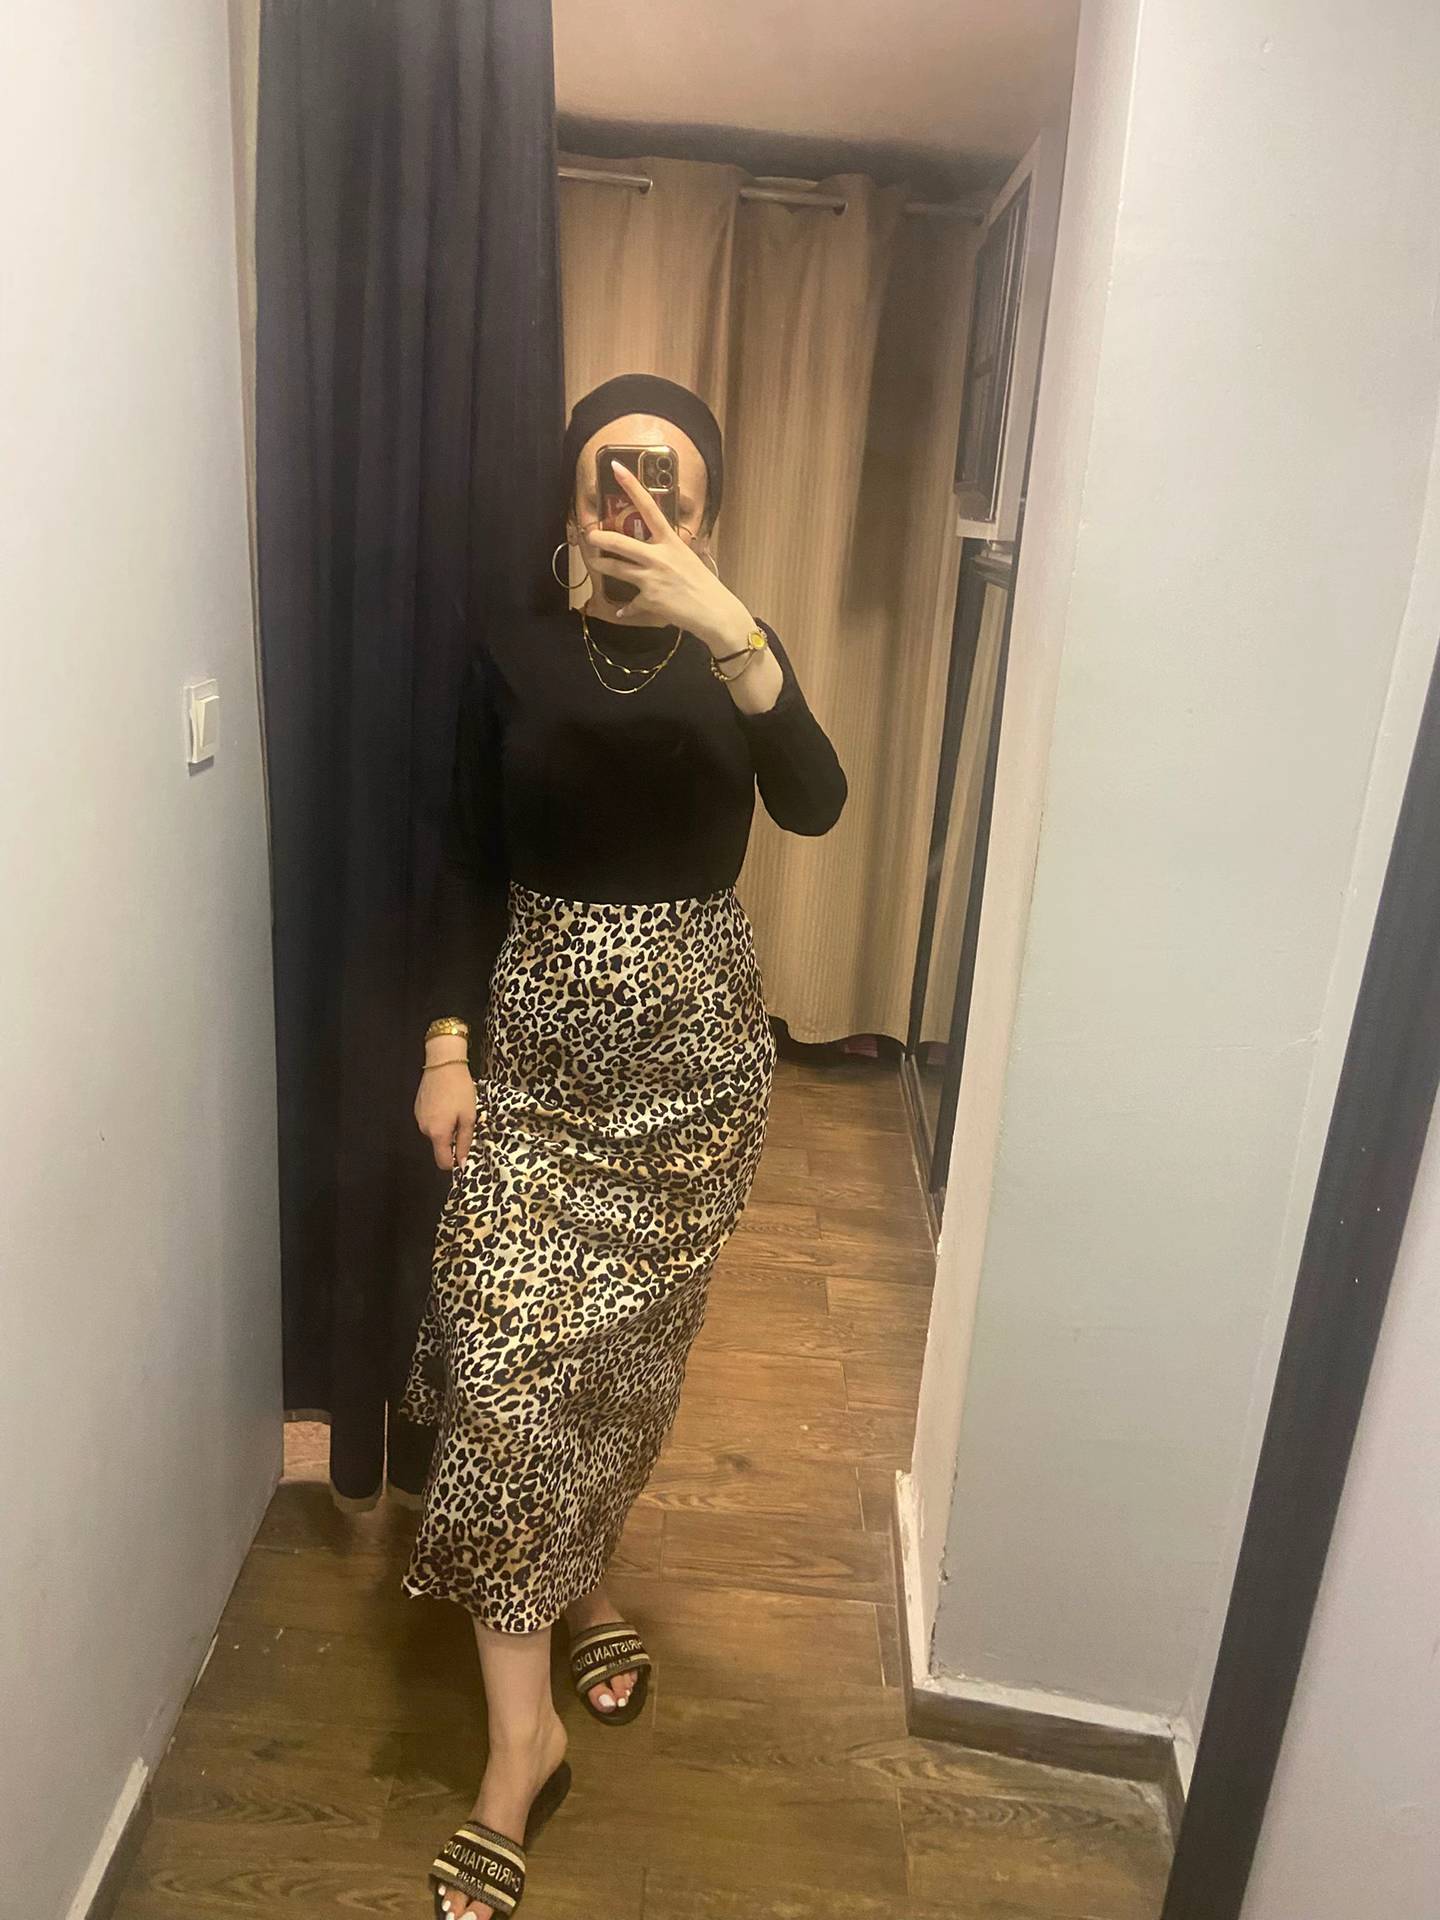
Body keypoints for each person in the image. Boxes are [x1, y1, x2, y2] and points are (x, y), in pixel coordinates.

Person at [399, 373, 847, 1920]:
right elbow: (465, 857)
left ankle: (582, 1574)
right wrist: (444, 1045)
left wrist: (733, 628)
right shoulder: (510, 648)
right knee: (508, 1356)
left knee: (621, 1371)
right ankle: (519, 1750)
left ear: (706, 503)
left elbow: (817, 803)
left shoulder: (737, 652)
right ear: (573, 491)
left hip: (692, 1074)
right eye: (611, 473)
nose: (635, 499)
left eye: (667, 478)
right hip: (531, 1057)